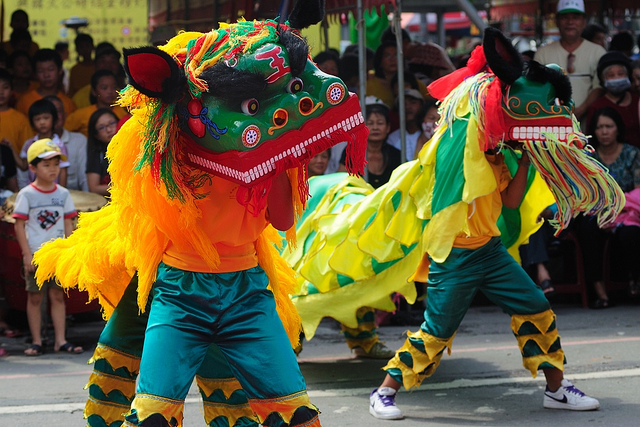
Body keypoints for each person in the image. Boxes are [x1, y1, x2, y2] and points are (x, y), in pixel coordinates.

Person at [12, 138, 83, 356]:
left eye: (55, 164)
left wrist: (70, 251)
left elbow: (68, 222)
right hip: (36, 255)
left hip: (57, 256)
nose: (52, 169)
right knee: (35, 297)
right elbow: (19, 224)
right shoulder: (27, 194)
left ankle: (60, 340)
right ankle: (36, 341)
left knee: (58, 296)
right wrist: (26, 254)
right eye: (46, 165)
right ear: (32, 168)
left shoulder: (62, 193)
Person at [574, 107, 640, 308]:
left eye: (608, 126)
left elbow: (638, 191)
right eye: (599, 127)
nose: (604, 131)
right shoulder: (588, 157)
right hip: (598, 211)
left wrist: (617, 210)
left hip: (628, 211)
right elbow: (585, 192)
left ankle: (634, 282)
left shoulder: (632, 154)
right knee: (587, 230)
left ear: (617, 129)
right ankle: (600, 291)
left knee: (630, 234)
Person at [534, 0, 606, 122]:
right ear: (556, 21)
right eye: (564, 17)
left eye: (575, 17)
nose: (570, 22)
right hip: (552, 123)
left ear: (584, 22)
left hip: (589, 123)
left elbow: (599, 86)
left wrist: (581, 110)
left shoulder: (598, 52)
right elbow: (537, 88)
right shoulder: (543, 53)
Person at [585, 51, 640, 148]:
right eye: (611, 75)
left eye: (620, 73)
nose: (617, 78)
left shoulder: (637, 101)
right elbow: (591, 142)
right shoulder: (597, 106)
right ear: (602, 79)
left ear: (628, 75)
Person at [13, 99, 69, 189]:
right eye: (37, 119)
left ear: (54, 119)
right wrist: (11, 147)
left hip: (52, 190)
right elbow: (23, 165)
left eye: (46, 118)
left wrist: (61, 192)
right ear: (32, 123)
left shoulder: (59, 145)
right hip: (33, 191)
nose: (42, 122)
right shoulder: (29, 143)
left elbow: (63, 171)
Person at [44, 95, 88, 191]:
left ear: (64, 115)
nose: (54, 116)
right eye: (49, 113)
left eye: (57, 111)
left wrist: (89, 203)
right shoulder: (31, 143)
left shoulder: (80, 140)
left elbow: (84, 178)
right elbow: (23, 179)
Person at [65, 69, 127, 136]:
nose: (110, 91)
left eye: (114, 87)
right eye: (104, 88)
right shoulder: (81, 114)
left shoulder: (124, 111)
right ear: (94, 91)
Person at [16, 49, 76, 117]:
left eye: (51, 69)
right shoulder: (24, 102)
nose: (46, 75)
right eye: (41, 71)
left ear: (60, 70)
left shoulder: (69, 104)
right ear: (35, 74)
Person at [72, 43, 124, 109]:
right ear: (94, 65)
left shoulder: (126, 97)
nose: (108, 65)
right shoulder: (80, 97)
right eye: (103, 61)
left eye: (113, 61)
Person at [0, 68, 34, 156]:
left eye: (5, 87)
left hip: (13, 168)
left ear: (12, 91)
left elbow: (29, 152)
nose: (1, 92)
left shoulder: (21, 119)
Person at [86, 108, 118, 196]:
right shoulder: (97, 154)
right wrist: (124, 188)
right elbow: (94, 188)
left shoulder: (132, 147)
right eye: (102, 127)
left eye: (111, 123)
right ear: (96, 136)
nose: (109, 130)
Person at [387, 88, 425, 162]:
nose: (407, 107)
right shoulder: (392, 138)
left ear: (422, 106)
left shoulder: (430, 134)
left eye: (413, 102)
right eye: (403, 104)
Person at [68, 33, 94, 97]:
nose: (85, 50)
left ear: (92, 47)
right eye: (82, 47)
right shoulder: (75, 70)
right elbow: (72, 92)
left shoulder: (99, 67)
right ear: (77, 50)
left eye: (87, 46)